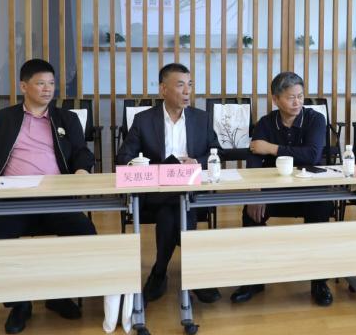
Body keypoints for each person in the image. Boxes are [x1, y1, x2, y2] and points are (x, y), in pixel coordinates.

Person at [0, 58, 95, 334]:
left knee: (84, 232)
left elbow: (81, 151)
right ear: (24, 86)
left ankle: (59, 294)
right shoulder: (5, 118)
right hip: (12, 198)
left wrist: (80, 170)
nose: (47, 89)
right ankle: (19, 303)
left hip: (56, 197)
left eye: (51, 83)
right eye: (40, 83)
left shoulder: (66, 118)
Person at [116, 63, 222, 304]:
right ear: (163, 89)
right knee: (178, 207)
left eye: (190, 85)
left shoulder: (201, 119)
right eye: (180, 85)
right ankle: (196, 275)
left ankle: (159, 272)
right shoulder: (143, 120)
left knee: (171, 212)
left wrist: (196, 161)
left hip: (191, 189)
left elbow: (216, 152)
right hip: (157, 191)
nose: (187, 91)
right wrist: (146, 166)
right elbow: (123, 158)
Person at [230, 71, 334, 306]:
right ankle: (254, 279)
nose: (297, 102)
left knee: (321, 207)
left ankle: (319, 281)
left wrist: (271, 148)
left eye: (300, 96)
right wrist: (255, 191)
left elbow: (312, 155)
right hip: (273, 189)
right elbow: (254, 157)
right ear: (276, 99)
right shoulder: (266, 123)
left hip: (308, 188)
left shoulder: (315, 119)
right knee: (250, 213)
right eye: (290, 97)